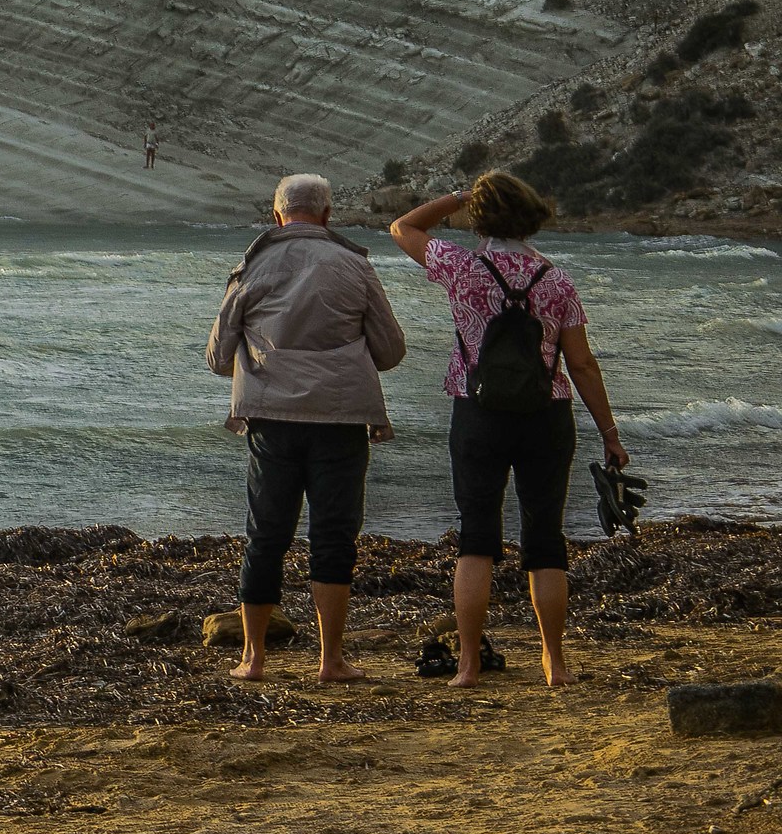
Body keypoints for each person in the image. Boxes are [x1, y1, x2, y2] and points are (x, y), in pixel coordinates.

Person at [389, 171, 626, 688]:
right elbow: (582, 365)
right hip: (547, 416)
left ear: (482, 218)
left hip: (478, 414)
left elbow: (402, 227)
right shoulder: (558, 282)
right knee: (545, 538)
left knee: (476, 538)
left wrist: (458, 196)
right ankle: (555, 664)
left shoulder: (463, 269)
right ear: (532, 217)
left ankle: (469, 665)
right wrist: (609, 432)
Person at [207, 173, 406, 682]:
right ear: (326, 215)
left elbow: (216, 356)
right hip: (341, 418)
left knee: (266, 536)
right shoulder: (355, 265)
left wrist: (262, 354)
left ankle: (253, 659)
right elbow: (390, 351)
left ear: (277, 215)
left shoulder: (251, 265)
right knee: (334, 537)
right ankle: (331, 660)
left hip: (272, 418)